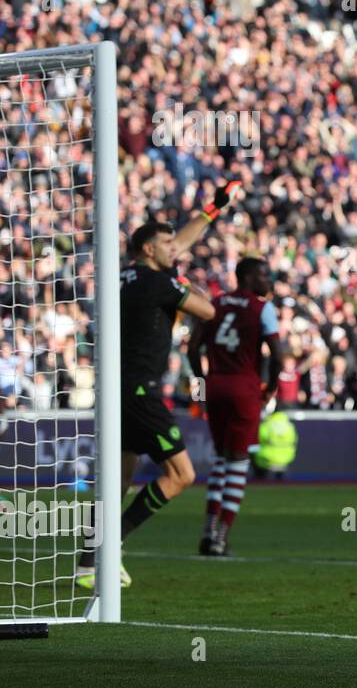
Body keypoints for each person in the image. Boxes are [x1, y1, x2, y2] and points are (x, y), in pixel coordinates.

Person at [75, 181, 241, 590]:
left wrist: (210, 210)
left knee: (118, 479)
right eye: (168, 246)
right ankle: (111, 545)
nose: (176, 250)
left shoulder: (127, 276)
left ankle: (86, 561)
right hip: (139, 391)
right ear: (150, 250)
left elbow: (175, 244)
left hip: (117, 387)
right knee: (181, 474)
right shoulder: (159, 281)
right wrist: (182, 282)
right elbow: (207, 311)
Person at [187, 257, 283, 556]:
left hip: (215, 387)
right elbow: (278, 355)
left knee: (220, 460)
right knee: (238, 464)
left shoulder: (214, 303)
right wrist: (270, 388)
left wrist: (201, 389)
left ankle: (208, 531)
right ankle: (221, 537)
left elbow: (193, 350)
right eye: (264, 275)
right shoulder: (262, 308)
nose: (269, 281)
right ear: (249, 277)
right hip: (245, 389)